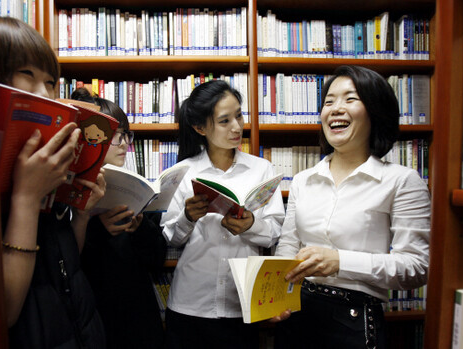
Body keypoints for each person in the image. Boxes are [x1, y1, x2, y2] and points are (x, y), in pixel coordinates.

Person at [273, 65, 431, 349]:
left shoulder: (402, 181)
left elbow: (417, 267)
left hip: (355, 322)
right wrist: (275, 300)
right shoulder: (301, 181)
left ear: (375, 110)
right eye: (329, 101)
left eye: (350, 99)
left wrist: (341, 261)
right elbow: (287, 249)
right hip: (298, 315)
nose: (335, 109)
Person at [0, 16, 107, 348]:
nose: (46, 93)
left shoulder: (48, 159)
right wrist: (27, 197)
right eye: (27, 74)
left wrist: (83, 213)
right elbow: (6, 312)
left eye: (52, 82)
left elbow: (67, 260)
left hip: (78, 328)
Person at [160, 80, 285, 349]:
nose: (237, 127)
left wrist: (251, 224)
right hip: (191, 303)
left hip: (241, 304)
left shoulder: (262, 170)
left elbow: (276, 230)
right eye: (225, 120)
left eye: (239, 115)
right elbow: (171, 237)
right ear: (200, 128)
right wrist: (187, 218)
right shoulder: (184, 172)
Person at [72, 87, 167, 349]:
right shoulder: (68, 191)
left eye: (125, 134)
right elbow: (71, 264)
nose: (124, 143)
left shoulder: (136, 189)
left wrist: (139, 228)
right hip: (98, 318)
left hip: (140, 319)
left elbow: (157, 258)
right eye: (114, 135)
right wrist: (98, 229)